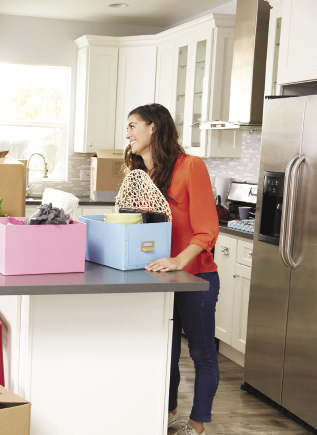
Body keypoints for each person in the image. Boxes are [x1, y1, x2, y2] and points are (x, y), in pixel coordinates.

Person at [124, 104, 220, 435]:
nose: (128, 133)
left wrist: (180, 260)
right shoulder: (141, 176)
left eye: (133, 125)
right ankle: (167, 412)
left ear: (154, 128)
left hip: (197, 276)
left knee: (201, 352)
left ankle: (197, 424)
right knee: (167, 351)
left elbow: (207, 229)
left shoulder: (190, 166)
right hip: (162, 278)